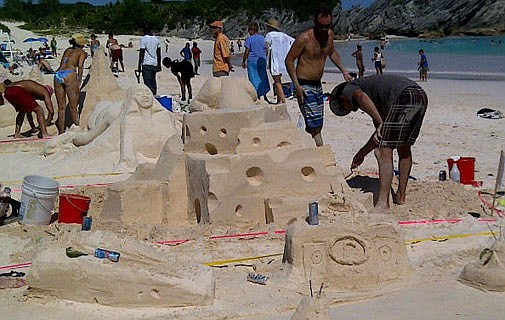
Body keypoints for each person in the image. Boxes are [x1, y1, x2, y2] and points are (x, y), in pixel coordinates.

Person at [330, 74, 428, 213]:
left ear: (342, 98)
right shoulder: (378, 99)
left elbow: (361, 97)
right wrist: (361, 154)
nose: (351, 109)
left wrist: (380, 123)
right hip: (420, 95)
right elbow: (380, 136)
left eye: (345, 107)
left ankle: (383, 204)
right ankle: (400, 195)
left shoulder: (349, 88)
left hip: (403, 96)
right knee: (404, 147)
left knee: (383, 151)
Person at [285, 7, 352, 147]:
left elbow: (332, 52)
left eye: (327, 26)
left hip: (317, 85)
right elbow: (289, 60)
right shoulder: (304, 38)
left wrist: (344, 71)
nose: (324, 30)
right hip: (303, 84)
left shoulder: (329, 35)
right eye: (321, 26)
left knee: (318, 123)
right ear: (315, 23)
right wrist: (296, 85)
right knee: (314, 126)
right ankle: (321, 151)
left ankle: (308, 148)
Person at [53, 33, 88, 133]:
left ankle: (61, 131)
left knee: (61, 107)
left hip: (58, 74)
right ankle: (77, 127)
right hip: (69, 73)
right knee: (73, 106)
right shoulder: (81, 52)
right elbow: (80, 67)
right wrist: (79, 80)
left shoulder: (67, 50)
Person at [264, 18, 294, 104]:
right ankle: (279, 99)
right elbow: (294, 42)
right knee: (278, 80)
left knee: (277, 81)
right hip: (284, 60)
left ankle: (282, 100)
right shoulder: (284, 35)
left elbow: (266, 44)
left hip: (275, 60)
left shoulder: (270, 35)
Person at [242, 22, 270, 102]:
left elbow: (247, 51)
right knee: (263, 77)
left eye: (249, 30)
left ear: (251, 30)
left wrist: (244, 61)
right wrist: (265, 57)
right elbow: (266, 49)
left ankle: (257, 95)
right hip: (262, 60)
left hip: (253, 60)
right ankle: (264, 95)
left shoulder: (249, 39)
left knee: (253, 77)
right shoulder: (262, 38)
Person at [137, 25, 161, 95]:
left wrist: (139, 65)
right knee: (153, 81)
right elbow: (159, 54)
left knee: (147, 83)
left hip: (146, 64)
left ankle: (150, 97)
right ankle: (154, 96)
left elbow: (142, 53)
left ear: (144, 31)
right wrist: (159, 64)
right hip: (154, 63)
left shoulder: (143, 39)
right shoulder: (156, 39)